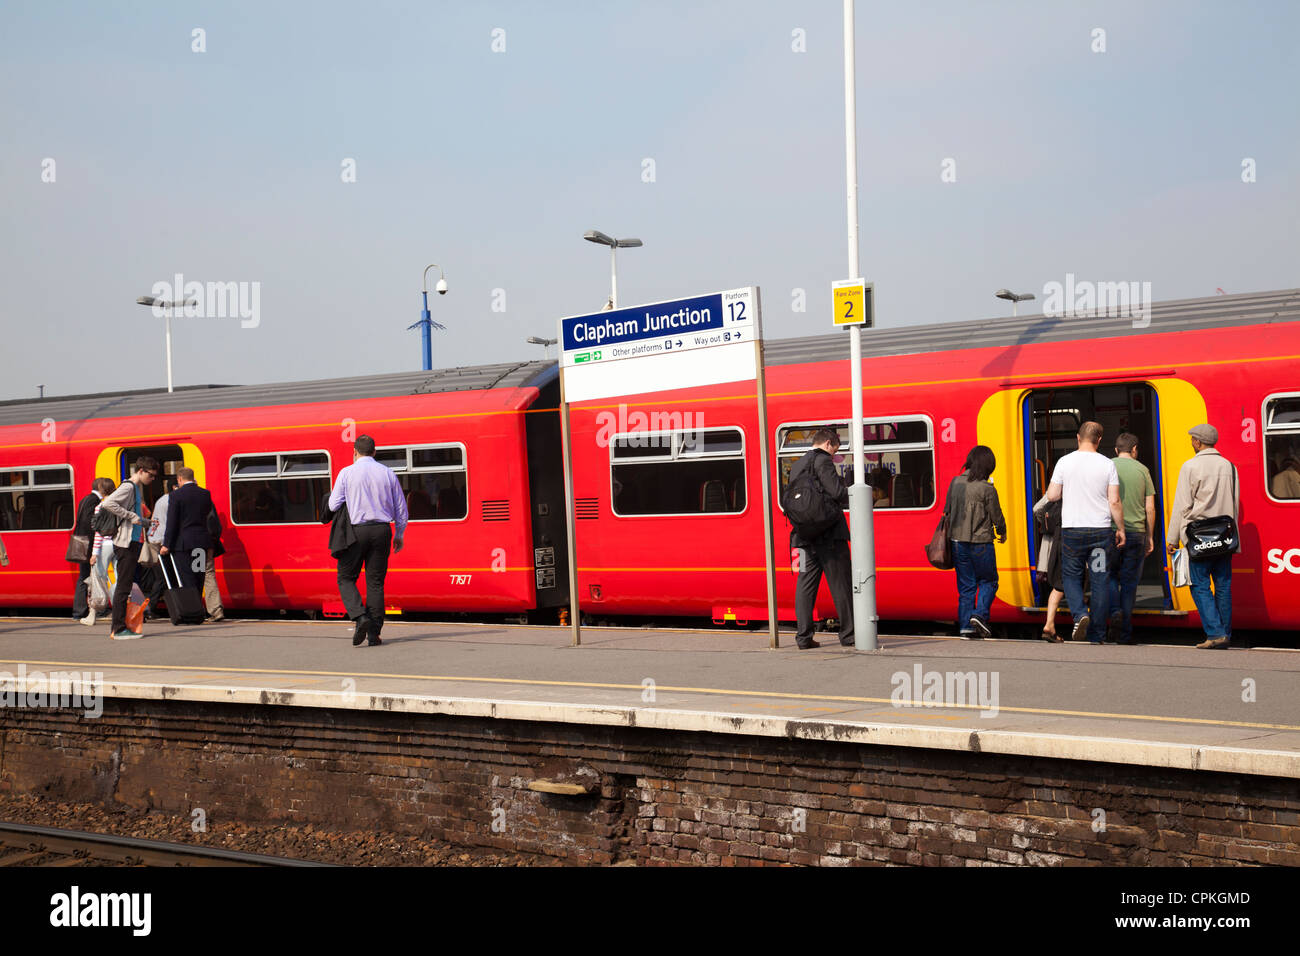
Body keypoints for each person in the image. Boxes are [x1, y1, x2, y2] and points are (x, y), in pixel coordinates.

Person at [1045, 422, 1125, 644]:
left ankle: (1080, 614)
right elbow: (1115, 500)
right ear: (1099, 440)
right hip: (1100, 533)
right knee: (1100, 579)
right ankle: (1097, 634)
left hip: (1073, 532)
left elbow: (1052, 495)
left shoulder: (1065, 462)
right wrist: (1120, 529)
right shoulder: (1108, 464)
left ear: (1078, 438)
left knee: (1071, 576)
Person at [328, 435, 408, 647]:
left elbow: (334, 504)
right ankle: (374, 633)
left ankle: (359, 617)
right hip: (382, 531)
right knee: (375, 583)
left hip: (356, 532)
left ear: (354, 452)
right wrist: (399, 534)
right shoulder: (387, 473)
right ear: (374, 452)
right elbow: (401, 507)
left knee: (345, 578)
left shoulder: (347, 472)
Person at [1167, 424, 1239, 650]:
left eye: (1192, 440)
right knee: (1223, 584)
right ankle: (1224, 633)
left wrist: (1172, 538)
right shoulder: (1230, 466)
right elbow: (1234, 503)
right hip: (1224, 536)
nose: (1191, 443)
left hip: (1198, 536)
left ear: (1198, 442)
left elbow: (1181, 506)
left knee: (1199, 584)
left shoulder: (1190, 466)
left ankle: (1215, 633)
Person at [789, 428, 853, 649]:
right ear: (827, 444)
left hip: (803, 535)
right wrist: (853, 492)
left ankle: (804, 637)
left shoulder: (797, 464)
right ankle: (848, 635)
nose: (834, 455)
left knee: (805, 585)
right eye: (834, 451)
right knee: (841, 584)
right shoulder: (823, 461)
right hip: (829, 536)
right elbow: (836, 492)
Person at [945, 446, 1006, 638]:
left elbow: (947, 510)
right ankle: (979, 615)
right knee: (989, 581)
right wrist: (1002, 532)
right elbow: (997, 516)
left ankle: (965, 627)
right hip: (981, 543)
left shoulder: (955, 483)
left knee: (966, 586)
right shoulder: (987, 488)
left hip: (957, 542)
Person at [100, 457, 159, 640]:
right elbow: (107, 503)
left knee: (125, 586)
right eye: (151, 475)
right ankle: (118, 629)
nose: (153, 479)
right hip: (124, 544)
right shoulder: (128, 487)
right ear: (141, 470)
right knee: (123, 587)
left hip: (131, 543)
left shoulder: (135, 489)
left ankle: (122, 626)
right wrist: (130, 515)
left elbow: (133, 518)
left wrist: (146, 522)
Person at [1106, 433, 1157, 645]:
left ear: (1116, 450)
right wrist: (1150, 536)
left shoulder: (1106, 466)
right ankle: (1125, 634)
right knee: (1129, 584)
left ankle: (1114, 611)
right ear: (1134, 449)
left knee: (1108, 576)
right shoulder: (1142, 470)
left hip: (1109, 531)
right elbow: (1150, 507)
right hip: (1136, 533)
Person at [162, 467, 225, 622]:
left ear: (179, 479)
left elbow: (172, 522)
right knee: (199, 575)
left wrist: (167, 544)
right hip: (201, 542)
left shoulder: (176, 495)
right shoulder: (205, 494)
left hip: (183, 545)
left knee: (186, 577)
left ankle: (194, 612)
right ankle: (199, 611)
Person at [1032, 492, 1067, 642]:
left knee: (1055, 579)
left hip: (1051, 539)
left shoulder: (1054, 492)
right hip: (1066, 538)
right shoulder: (1078, 488)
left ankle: (1050, 622)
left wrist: (1047, 523)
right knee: (1066, 579)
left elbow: (1036, 509)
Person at [70, 479, 107, 621]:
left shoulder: (85, 499)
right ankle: (84, 610)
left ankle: (80, 610)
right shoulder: (94, 501)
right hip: (88, 545)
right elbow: (89, 523)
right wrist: (95, 548)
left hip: (82, 544)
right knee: (89, 576)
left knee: (84, 577)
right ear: (100, 487)